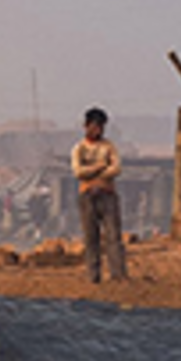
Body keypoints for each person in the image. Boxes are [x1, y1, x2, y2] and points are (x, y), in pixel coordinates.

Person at [71, 107, 126, 283]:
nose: (98, 130)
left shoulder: (109, 146)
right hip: (87, 197)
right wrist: (101, 166)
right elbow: (78, 172)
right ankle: (93, 276)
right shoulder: (79, 149)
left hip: (108, 195)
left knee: (113, 237)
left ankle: (118, 275)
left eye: (101, 127)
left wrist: (94, 174)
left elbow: (116, 168)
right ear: (86, 126)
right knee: (91, 238)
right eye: (95, 127)